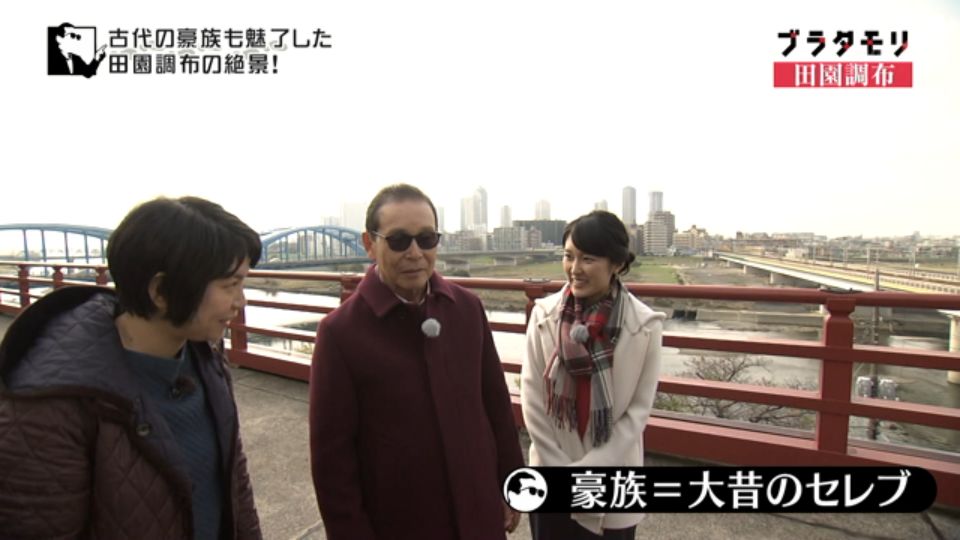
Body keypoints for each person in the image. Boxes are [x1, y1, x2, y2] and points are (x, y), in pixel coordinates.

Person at [0, 196, 263, 539]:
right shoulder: (52, 404)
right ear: (161, 290)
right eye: (231, 285)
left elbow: (234, 486)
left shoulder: (205, 361)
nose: (241, 301)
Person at [310, 183, 524, 540]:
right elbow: (332, 461)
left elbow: (496, 405)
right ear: (369, 243)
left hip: (480, 508)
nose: (415, 253)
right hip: (401, 522)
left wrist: (511, 483)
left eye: (426, 239)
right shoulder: (341, 332)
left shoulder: (467, 308)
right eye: (398, 240)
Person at [520, 210, 665, 539]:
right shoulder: (544, 315)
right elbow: (532, 398)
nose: (575, 268)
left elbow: (638, 410)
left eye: (588, 258)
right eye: (568, 256)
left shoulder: (645, 325)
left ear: (617, 263)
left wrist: (592, 468)